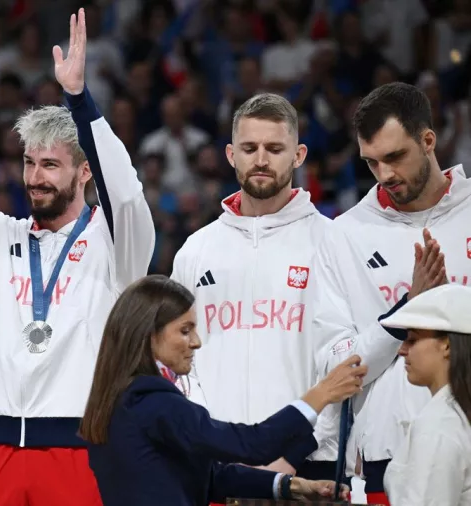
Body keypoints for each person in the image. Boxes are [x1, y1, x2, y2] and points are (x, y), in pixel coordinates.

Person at [0, 12, 154, 506]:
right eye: (29, 162)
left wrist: (81, 101)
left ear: (84, 172)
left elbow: (125, 194)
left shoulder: (114, 244)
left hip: (80, 444)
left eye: (51, 165)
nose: (35, 177)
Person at [310, 81, 471, 505]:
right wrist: (406, 313)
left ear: (429, 140)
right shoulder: (345, 234)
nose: (385, 175)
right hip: (385, 453)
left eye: (395, 157)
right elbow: (334, 362)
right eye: (372, 162)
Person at [169, 93, 340, 481]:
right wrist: (206, 439)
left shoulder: (332, 243)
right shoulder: (195, 250)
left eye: (274, 148)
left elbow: (344, 368)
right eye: (250, 148)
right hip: (216, 468)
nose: (261, 159)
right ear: (231, 154)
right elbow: (177, 362)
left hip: (308, 468)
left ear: (298, 155)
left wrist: (295, 454)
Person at [80, 275, 364, 506]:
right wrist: (321, 394)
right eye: (185, 330)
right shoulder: (153, 403)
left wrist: (292, 486)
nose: (197, 342)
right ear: (149, 334)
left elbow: (209, 477)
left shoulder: (122, 398)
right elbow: (253, 445)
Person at [377, 284, 471, 505]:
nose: (402, 350)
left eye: (412, 339)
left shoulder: (439, 424)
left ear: (446, 346)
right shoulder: (455, 416)